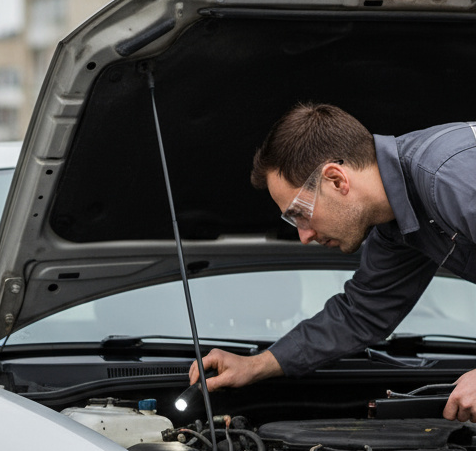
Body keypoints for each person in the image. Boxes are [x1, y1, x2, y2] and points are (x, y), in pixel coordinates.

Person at [190, 103, 476, 421]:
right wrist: (256, 364)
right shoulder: (398, 221)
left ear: (337, 180)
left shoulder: (449, 176)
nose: (304, 235)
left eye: (298, 214)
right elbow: (362, 314)